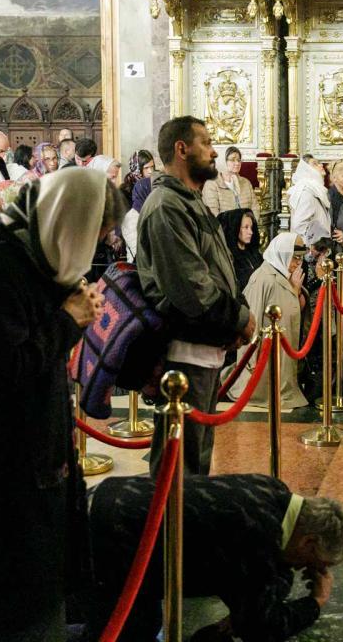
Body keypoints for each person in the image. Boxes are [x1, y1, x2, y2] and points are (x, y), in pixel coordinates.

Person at [0, 168, 118, 642]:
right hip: (4, 455)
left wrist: (72, 305)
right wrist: (68, 319)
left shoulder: (32, 252)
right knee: (9, 590)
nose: (92, 247)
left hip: (35, 444)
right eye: (94, 233)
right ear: (70, 220)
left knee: (40, 579)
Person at [88, 474, 343, 642]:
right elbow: (261, 629)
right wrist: (315, 603)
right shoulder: (258, 534)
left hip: (112, 498)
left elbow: (271, 570)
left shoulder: (274, 492)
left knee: (147, 621)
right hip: (106, 538)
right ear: (308, 540)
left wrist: (249, 608)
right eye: (314, 562)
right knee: (134, 630)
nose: (305, 569)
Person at [137, 116, 254, 476]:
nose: (214, 150)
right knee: (180, 464)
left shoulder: (191, 201)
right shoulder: (166, 206)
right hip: (183, 353)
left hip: (205, 347)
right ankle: (170, 532)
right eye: (205, 142)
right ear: (181, 149)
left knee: (196, 457)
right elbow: (191, 288)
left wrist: (238, 310)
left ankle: (187, 529)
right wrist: (239, 319)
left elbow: (220, 271)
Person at [229, 232, 309, 410]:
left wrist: (295, 291)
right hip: (264, 359)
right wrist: (249, 360)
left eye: (300, 258)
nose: (298, 263)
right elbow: (252, 318)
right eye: (294, 258)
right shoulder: (262, 279)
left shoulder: (284, 276)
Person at [202, 146, 259, 225]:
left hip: (247, 231)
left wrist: (249, 227)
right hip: (224, 232)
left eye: (239, 160)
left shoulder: (246, 182)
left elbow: (255, 208)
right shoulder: (211, 184)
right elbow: (213, 215)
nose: (237, 163)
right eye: (232, 160)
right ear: (222, 161)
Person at [288, 154, 331, 247]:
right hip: (310, 250)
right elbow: (299, 225)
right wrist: (316, 244)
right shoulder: (306, 192)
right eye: (315, 164)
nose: (321, 165)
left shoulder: (315, 190)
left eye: (319, 163)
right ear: (306, 170)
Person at [218, 208, 262, 290]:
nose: (251, 232)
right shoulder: (229, 257)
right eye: (246, 227)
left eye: (251, 227)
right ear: (235, 228)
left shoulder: (254, 253)